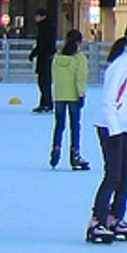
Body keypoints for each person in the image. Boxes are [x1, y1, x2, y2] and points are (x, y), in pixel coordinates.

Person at [86, 21, 127, 243]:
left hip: (126, 127)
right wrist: (114, 128)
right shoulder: (121, 64)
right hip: (110, 127)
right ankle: (97, 220)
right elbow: (109, 100)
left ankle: (115, 217)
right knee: (113, 175)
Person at [48, 29, 90, 171]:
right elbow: (81, 77)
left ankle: (56, 148)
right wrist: (81, 94)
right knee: (75, 126)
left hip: (59, 94)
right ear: (79, 42)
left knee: (59, 125)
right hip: (73, 95)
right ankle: (75, 154)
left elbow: (54, 75)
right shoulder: (79, 58)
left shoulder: (57, 57)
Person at [32, 8, 57, 114]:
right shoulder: (46, 26)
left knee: (44, 81)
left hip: (45, 56)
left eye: (37, 16)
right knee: (44, 81)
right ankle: (45, 103)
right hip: (46, 56)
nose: (35, 18)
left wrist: (34, 53)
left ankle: (46, 104)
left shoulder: (45, 27)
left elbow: (42, 43)